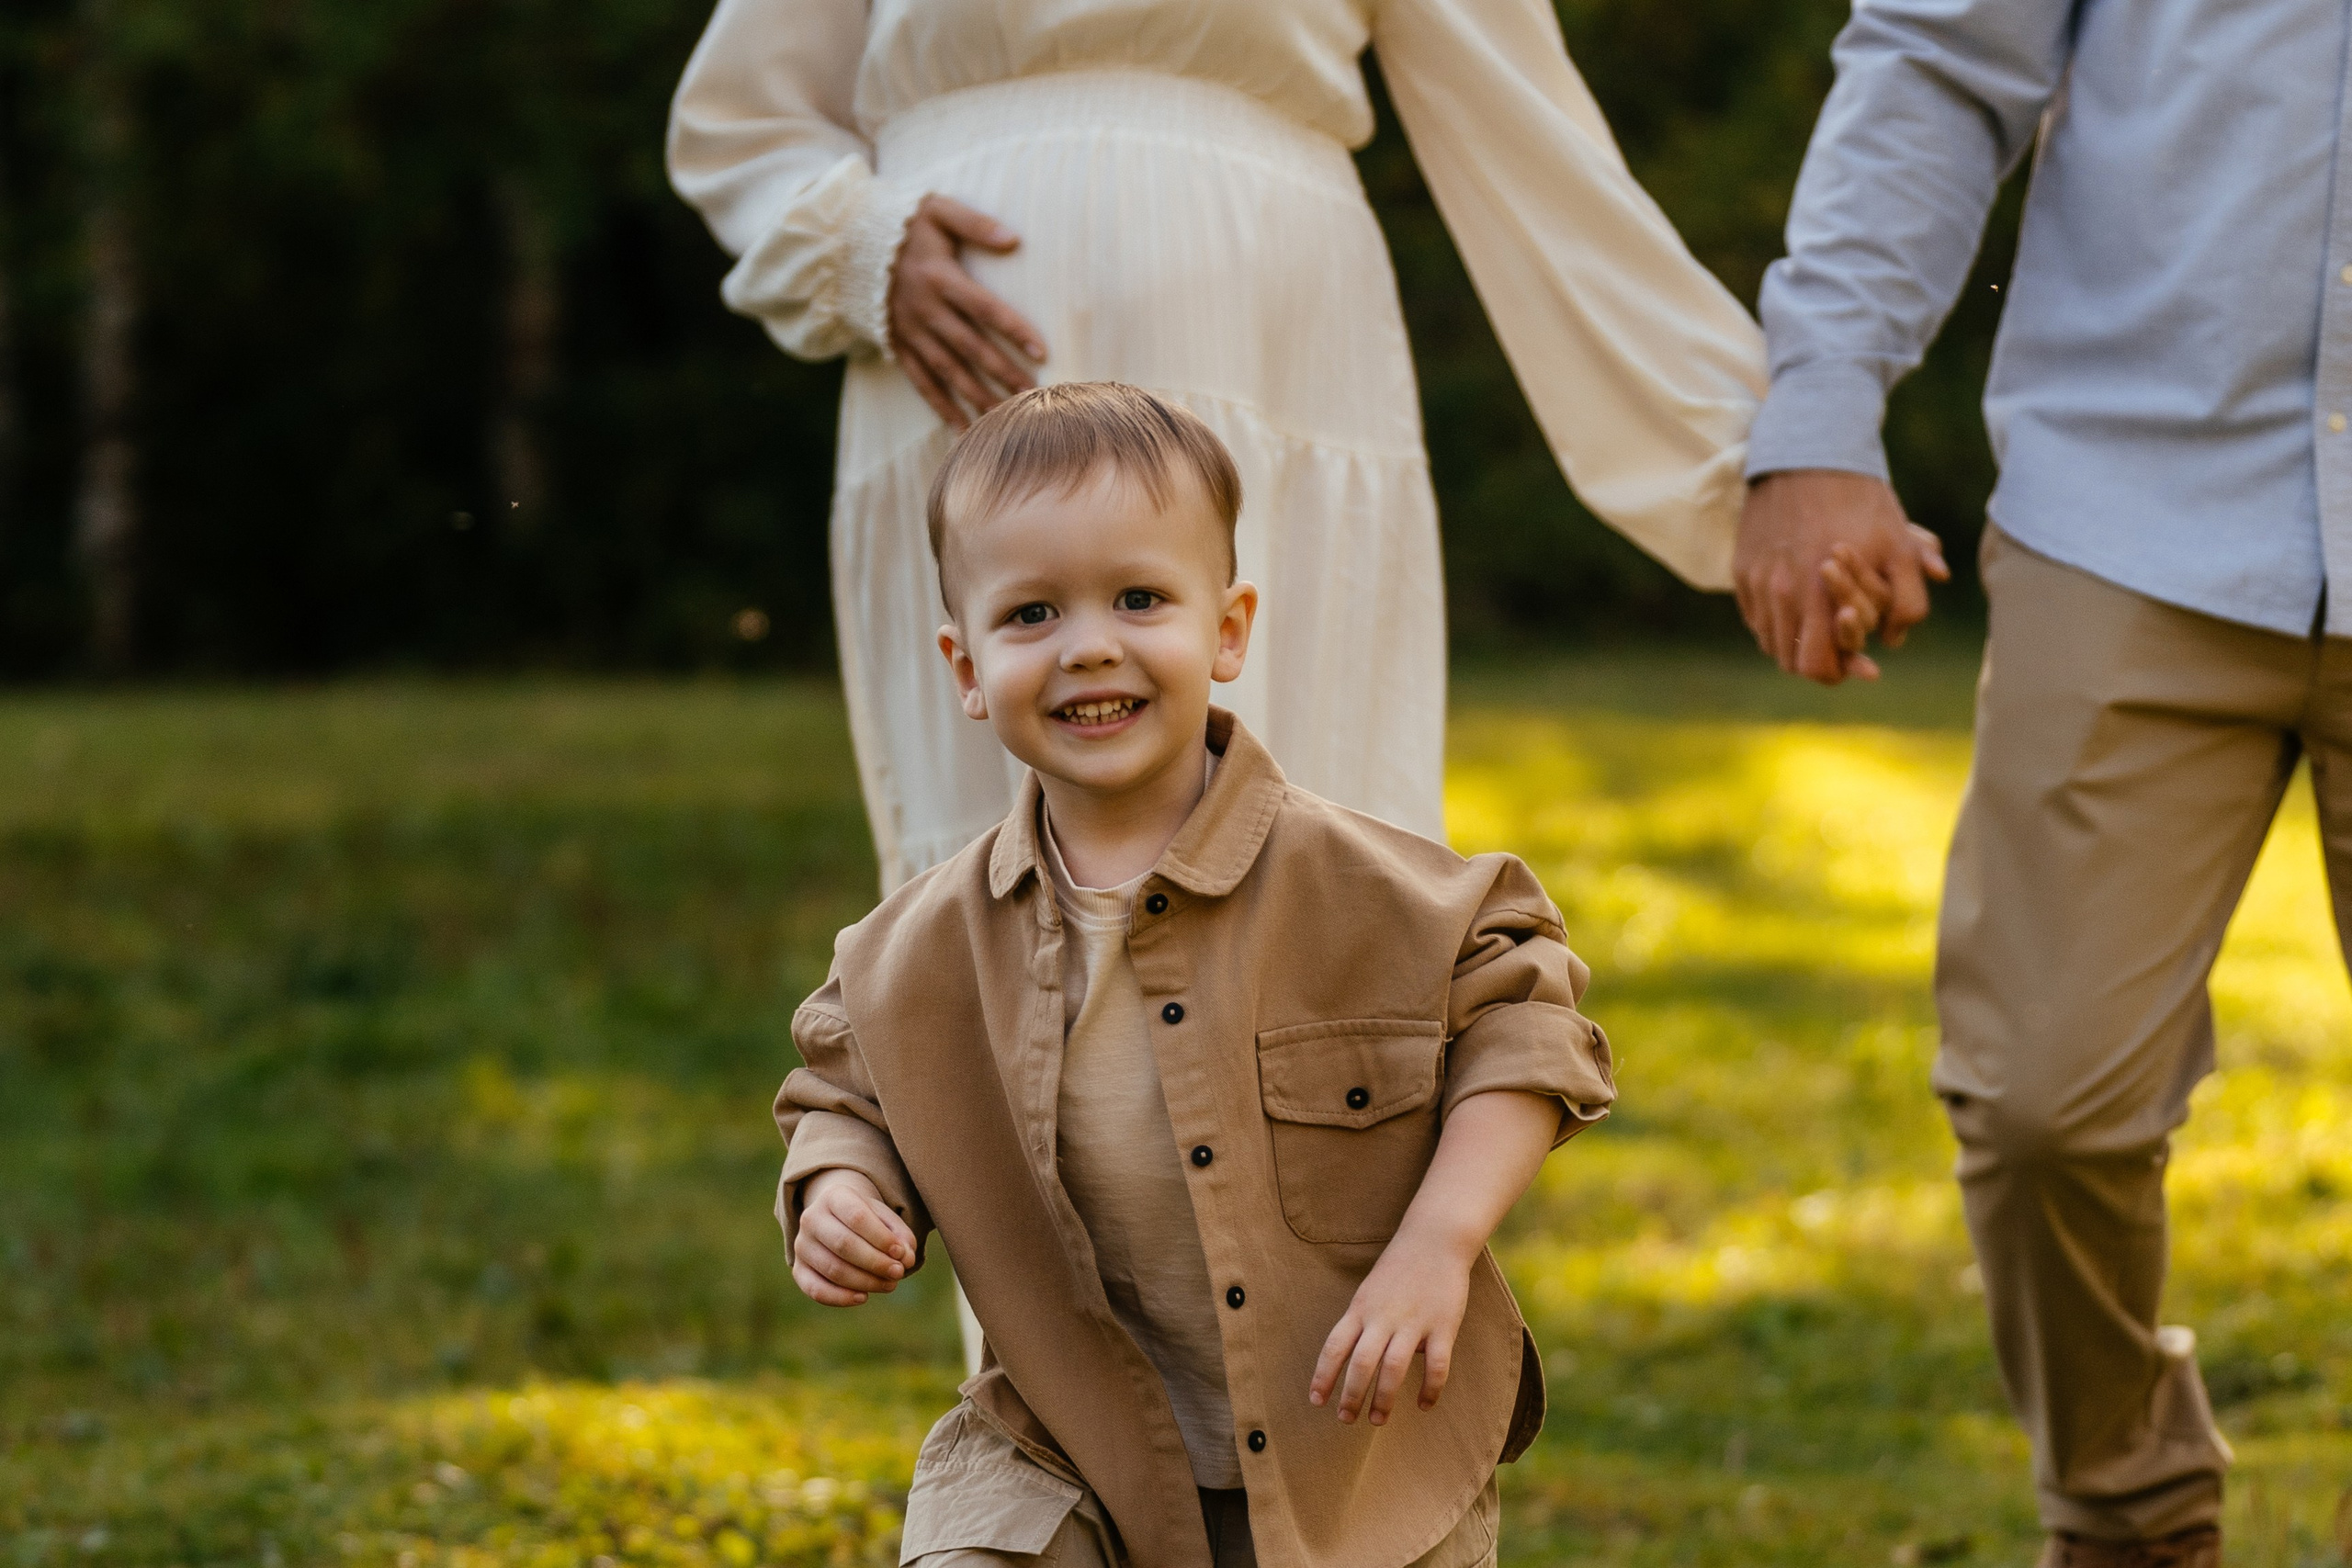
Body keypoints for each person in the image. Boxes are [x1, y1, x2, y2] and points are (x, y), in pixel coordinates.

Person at [774, 384, 1615, 1567]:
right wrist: (841, 1193)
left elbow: (1523, 1026)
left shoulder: (1364, 887)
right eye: (1030, 614)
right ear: (966, 665)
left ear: (1226, 628)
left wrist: (1439, 1243)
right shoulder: (912, 952)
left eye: (1137, 598)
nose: (1089, 645)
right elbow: (845, 1094)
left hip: (1357, 1448)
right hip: (1068, 1440)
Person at [666, 0, 1766, 892]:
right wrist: (857, 245)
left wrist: (1754, 464)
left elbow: (1530, 134)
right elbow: (743, 119)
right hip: (964, 367)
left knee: (1311, 849)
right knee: (981, 884)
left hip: (1269, 343)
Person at [1736, 0, 2352, 1562]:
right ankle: (2127, 1514)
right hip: (2133, 504)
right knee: (2041, 1103)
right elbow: (1942, 60)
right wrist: (1818, 408)